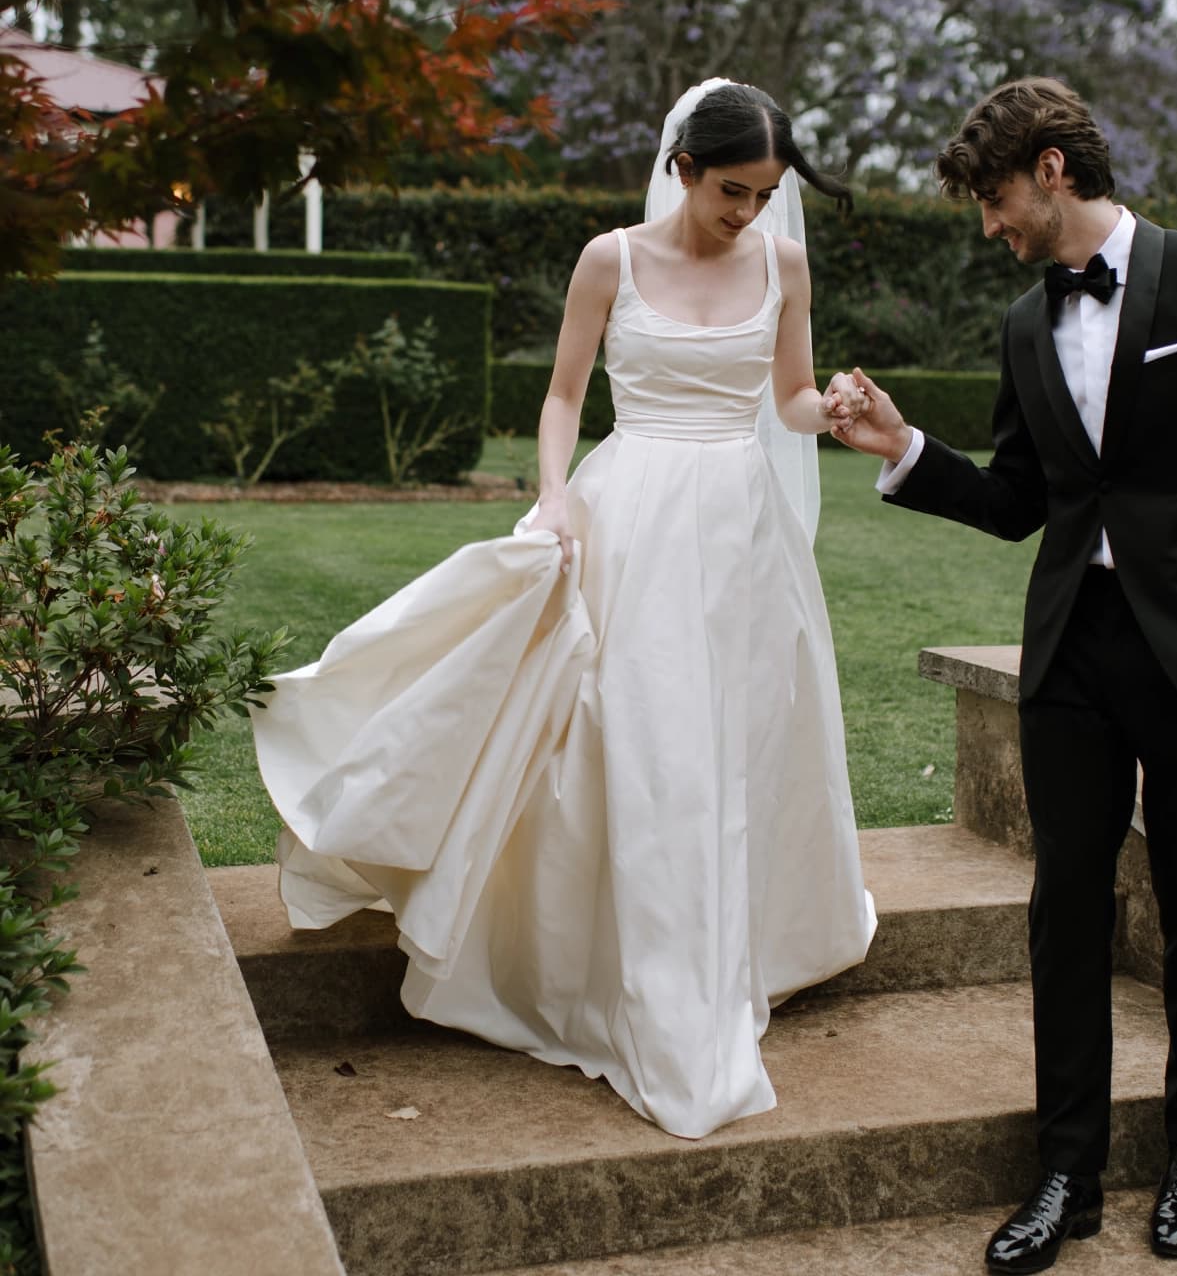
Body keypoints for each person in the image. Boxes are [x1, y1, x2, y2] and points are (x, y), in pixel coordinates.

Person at [251, 78, 877, 1140]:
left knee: (737, 745)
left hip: (740, 535)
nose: (748, 213)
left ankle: (735, 951)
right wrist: (556, 493)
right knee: (640, 743)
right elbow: (561, 399)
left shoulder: (784, 261)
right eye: (734, 190)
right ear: (683, 167)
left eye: (767, 194)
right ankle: (628, 975)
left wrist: (840, 409)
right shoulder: (611, 260)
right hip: (629, 517)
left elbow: (788, 400)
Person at [828, 77, 1177, 1269]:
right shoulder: (1022, 324)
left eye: (997, 200)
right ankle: (1069, 1171)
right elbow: (1020, 502)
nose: (990, 227)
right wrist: (905, 448)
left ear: (1052, 168)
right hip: (1070, 646)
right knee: (1065, 911)